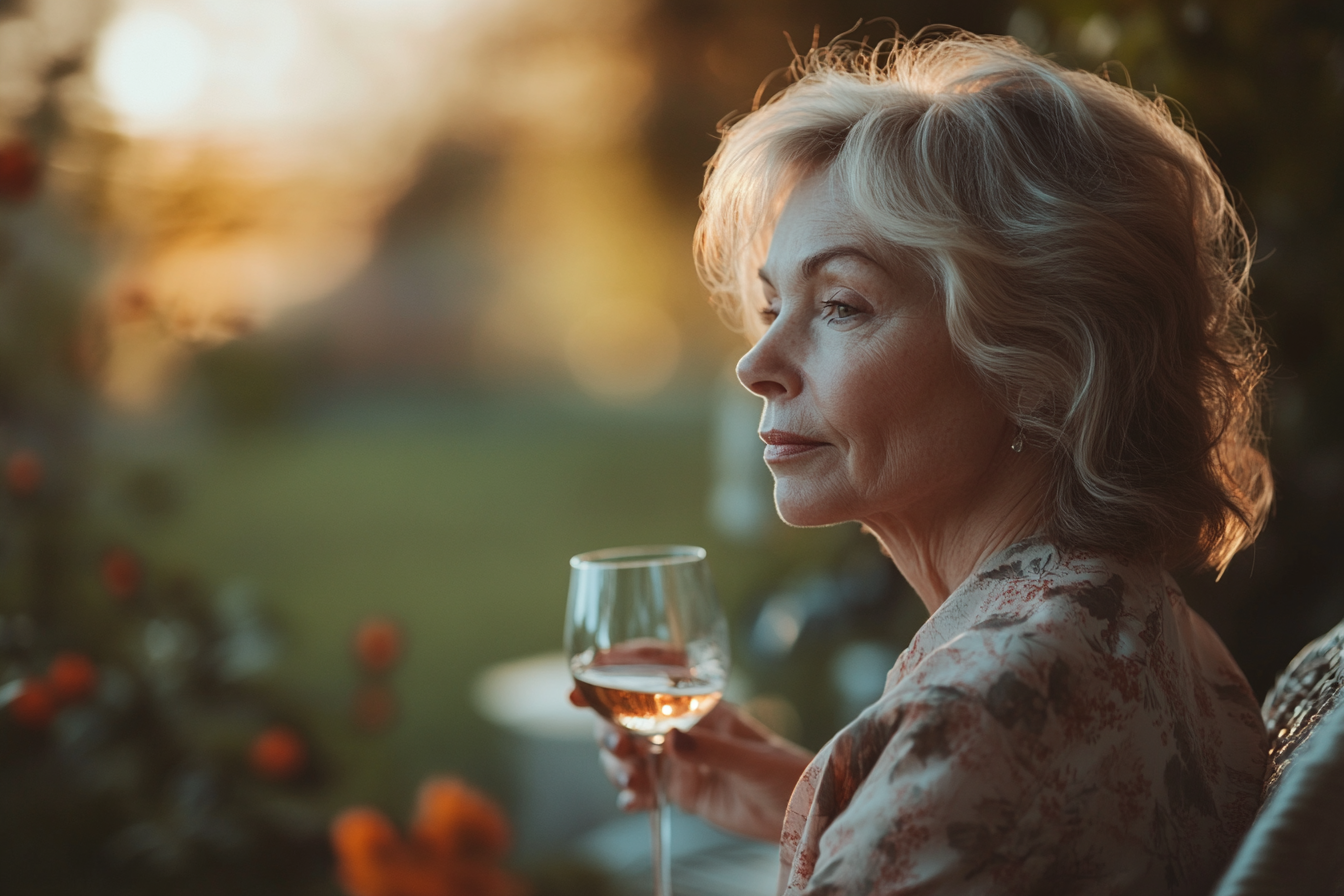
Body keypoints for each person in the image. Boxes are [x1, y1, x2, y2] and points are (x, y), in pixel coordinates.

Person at [572, 29, 1272, 895]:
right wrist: (817, 798)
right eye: (770, 304)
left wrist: (904, 782)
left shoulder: (976, 717)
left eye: (841, 305)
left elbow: (984, 771)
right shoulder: (1143, 622)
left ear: (1037, 367)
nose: (756, 364)